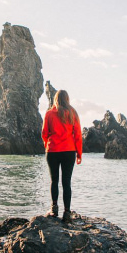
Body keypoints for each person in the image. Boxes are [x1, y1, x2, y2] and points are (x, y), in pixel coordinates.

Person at [41, 89, 82, 222]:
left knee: (54, 181)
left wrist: (47, 144)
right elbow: (78, 135)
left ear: (56, 99)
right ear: (67, 99)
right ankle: (67, 212)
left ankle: (54, 209)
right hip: (69, 151)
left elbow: (44, 133)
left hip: (52, 151)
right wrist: (79, 153)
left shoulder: (49, 114)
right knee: (66, 182)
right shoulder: (72, 113)